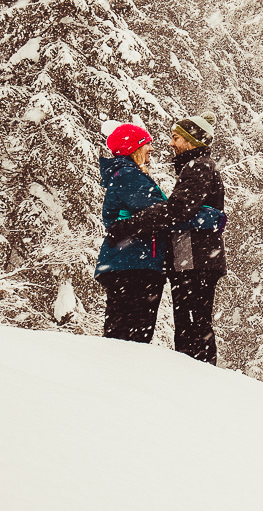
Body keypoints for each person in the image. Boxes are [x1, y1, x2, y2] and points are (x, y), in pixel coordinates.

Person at [107, 114, 226, 364]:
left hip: (194, 259)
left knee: (192, 325)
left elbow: (177, 210)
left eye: (176, 138)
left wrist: (128, 226)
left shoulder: (198, 167)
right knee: (191, 324)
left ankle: (198, 375)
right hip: (191, 259)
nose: (170, 144)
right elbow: (181, 210)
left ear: (191, 142)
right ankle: (195, 372)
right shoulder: (195, 167)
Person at [94, 122, 168, 342]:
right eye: (146, 144)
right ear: (133, 148)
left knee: (122, 331)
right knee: (133, 336)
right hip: (134, 264)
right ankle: (123, 373)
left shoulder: (126, 174)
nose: (151, 149)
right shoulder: (128, 174)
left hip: (127, 262)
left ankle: (119, 371)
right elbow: (157, 212)